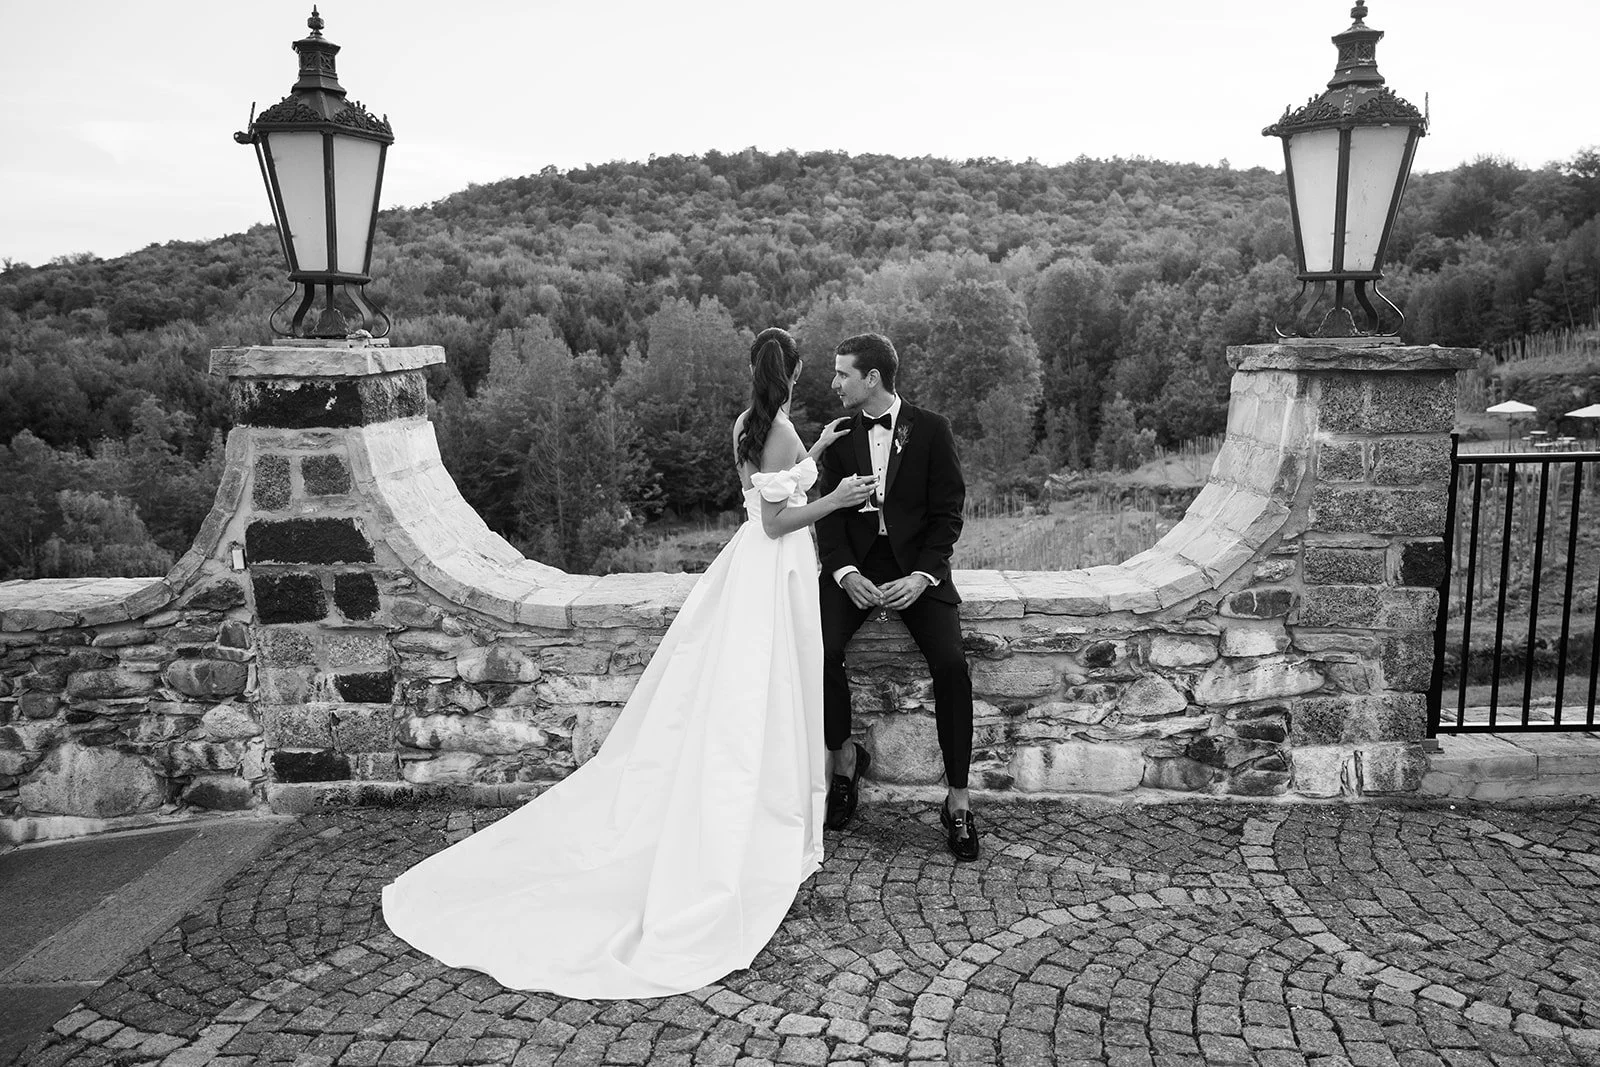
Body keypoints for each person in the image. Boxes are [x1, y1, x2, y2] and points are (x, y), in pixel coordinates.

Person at [381, 327, 876, 999]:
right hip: (774, 567)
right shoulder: (779, 431)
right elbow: (776, 521)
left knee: (751, 689)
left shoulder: (753, 424)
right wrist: (838, 497)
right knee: (766, 690)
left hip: (753, 570)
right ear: (789, 374)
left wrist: (813, 453)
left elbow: (778, 478)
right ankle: (761, 813)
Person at [814, 333, 979, 861]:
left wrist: (924, 577)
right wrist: (842, 572)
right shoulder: (837, 436)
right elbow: (830, 517)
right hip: (855, 568)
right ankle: (844, 765)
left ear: (872, 379)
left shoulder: (931, 430)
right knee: (821, 650)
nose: (834, 382)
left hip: (917, 572)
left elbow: (948, 513)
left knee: (952, 664)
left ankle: (957, 800)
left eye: (842, 374)